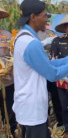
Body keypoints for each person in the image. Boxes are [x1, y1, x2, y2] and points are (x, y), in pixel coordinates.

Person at [13, 0, 68, 138]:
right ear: (33, 17)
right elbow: (52, 74)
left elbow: (46, 65)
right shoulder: (31, 43)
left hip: (28, 105)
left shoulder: (24, 38)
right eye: (44, 16)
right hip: (32, 107)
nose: (47, 20)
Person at [0, 7, 17, 136]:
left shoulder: (8, 35)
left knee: (9, 110)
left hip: (8, 81)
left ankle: (11, 131)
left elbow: (14, 54)